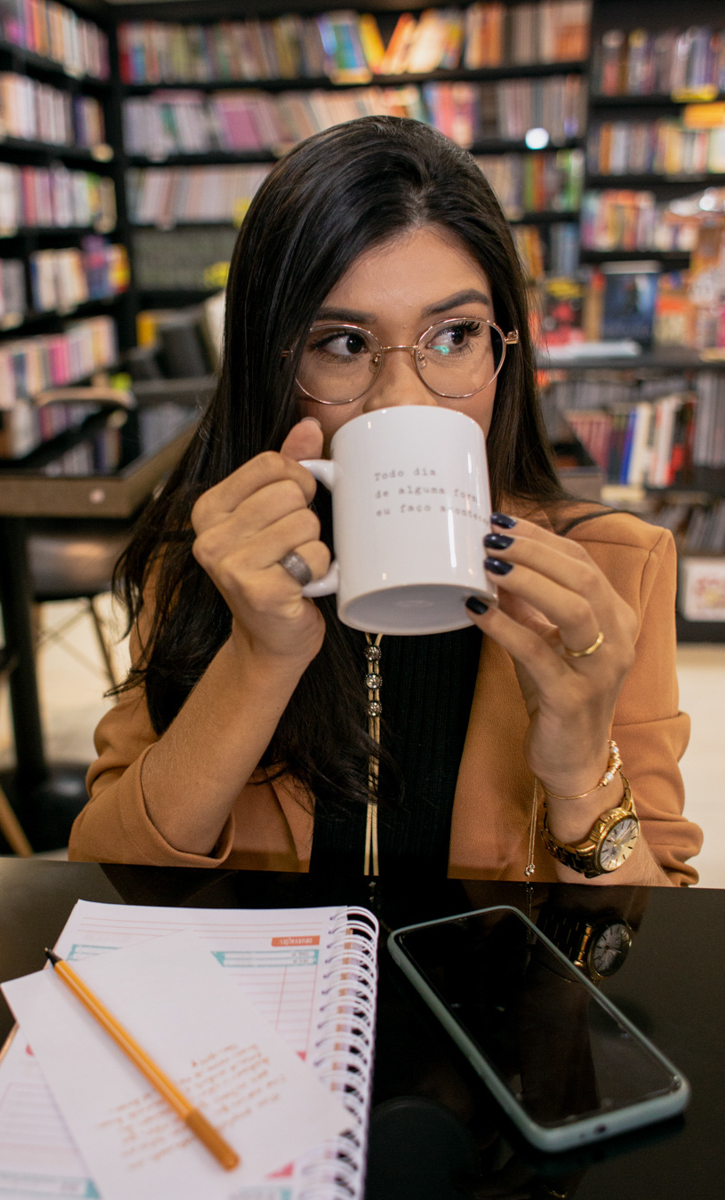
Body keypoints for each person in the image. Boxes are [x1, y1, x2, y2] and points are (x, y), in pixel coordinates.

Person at [69, 116, 702, 885]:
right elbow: (117, 875)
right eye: (343, 343)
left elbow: (649, 927)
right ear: (274, 362)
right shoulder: (211, 555)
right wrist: (260, 657)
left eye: (452, 335)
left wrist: (579, 773)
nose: (402, 401)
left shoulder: (611, 570)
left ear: (505, 348)